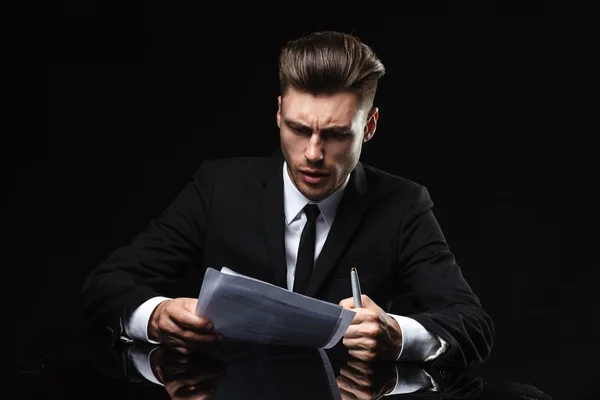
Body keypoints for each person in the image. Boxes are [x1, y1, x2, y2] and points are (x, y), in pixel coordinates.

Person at [81, 31, 494, 368]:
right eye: (298, 129)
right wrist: (155, 316)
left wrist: (399, 336)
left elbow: (472, 324)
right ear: (279, 113)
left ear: (369, 126)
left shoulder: (403, 205)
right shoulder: (219, 186)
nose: (313, 153)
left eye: (335, 134)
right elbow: (107, 284)